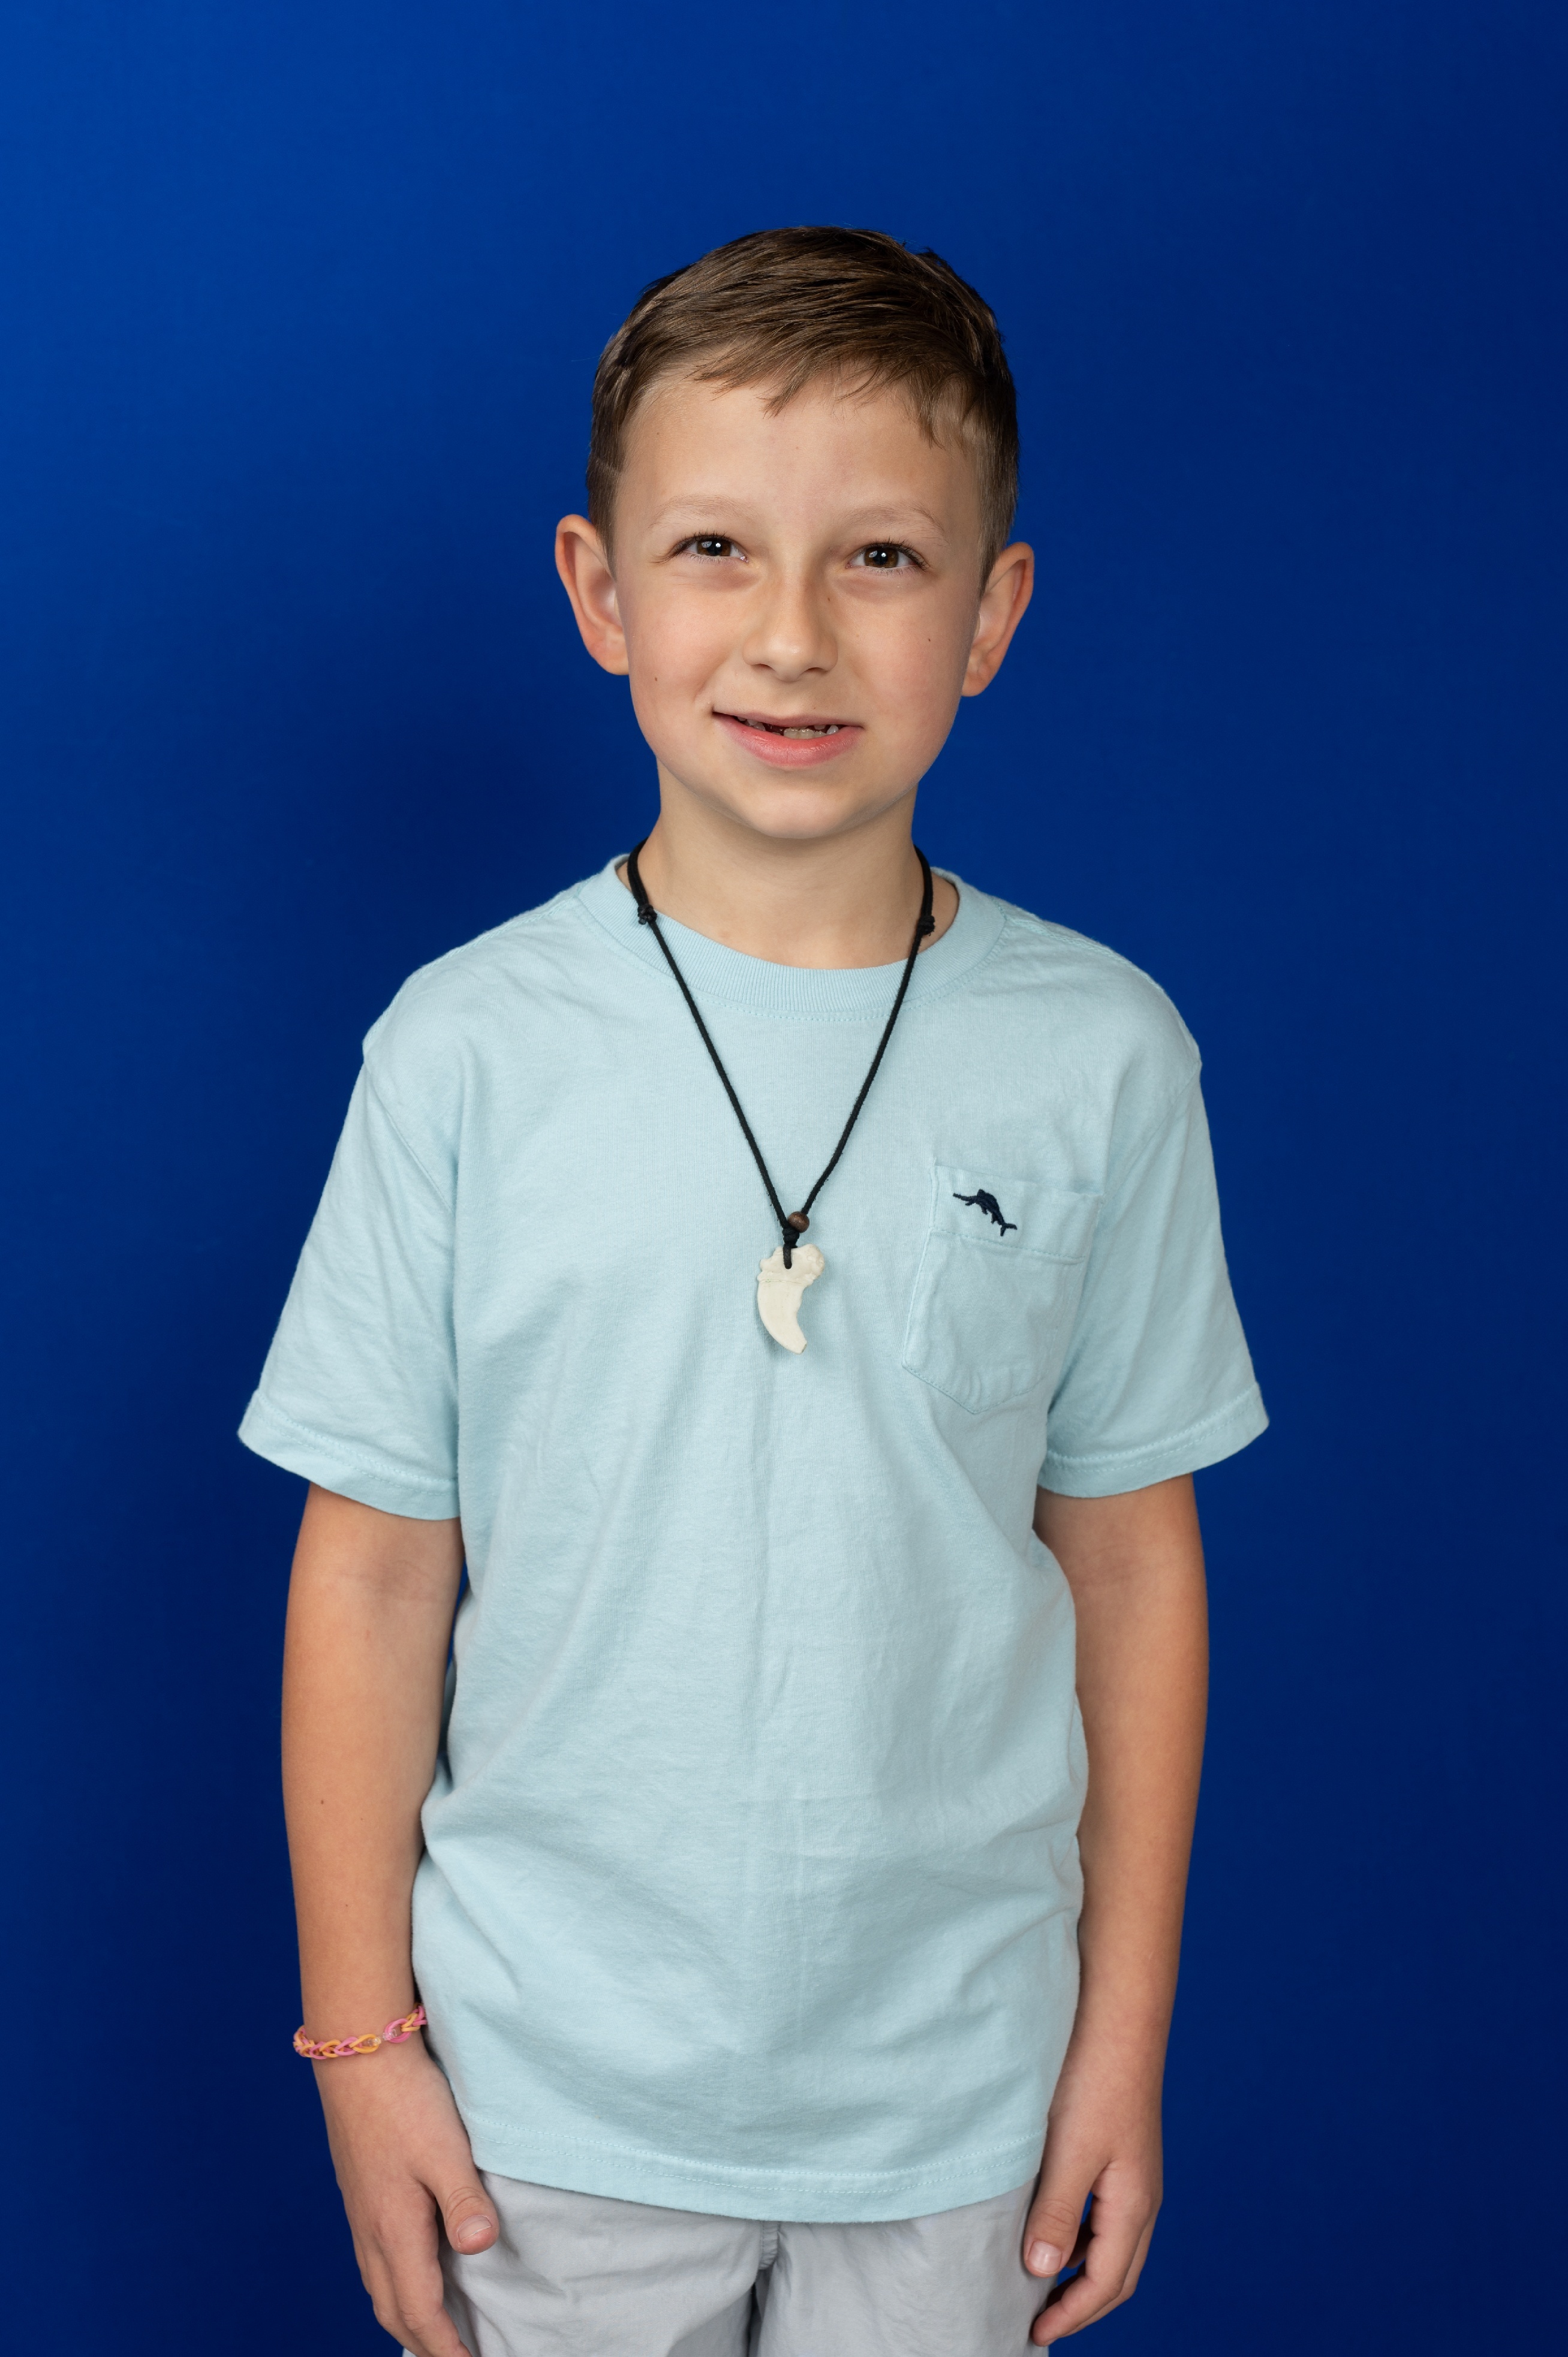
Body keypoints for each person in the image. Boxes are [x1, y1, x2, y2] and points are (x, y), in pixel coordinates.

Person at [242, 226, 1266, 2357]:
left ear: (991, 613)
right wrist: (361, 2047)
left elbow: (1128, 1562)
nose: (792, 634)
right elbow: (373, 1574)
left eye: (881, 558)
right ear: (602, 591)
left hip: (962, 2104)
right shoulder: (464, 1049)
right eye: (714, 547)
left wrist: (1121, 2042)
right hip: (543, 2100)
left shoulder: (1103, 1055)